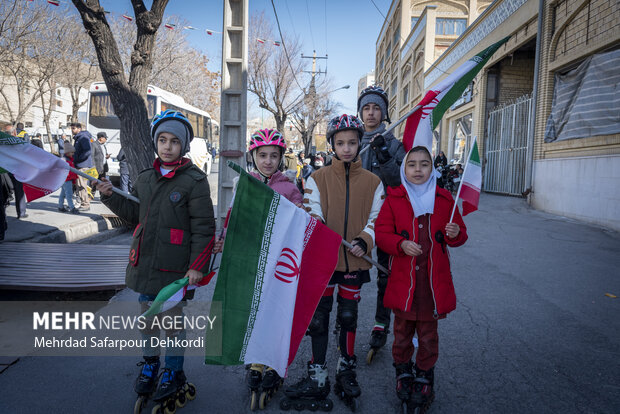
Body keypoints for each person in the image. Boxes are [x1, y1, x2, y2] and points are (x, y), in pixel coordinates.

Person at [93, 110, 215, 407]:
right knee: (147, 319)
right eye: (162, 140)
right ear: (155, 142)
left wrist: (197, 267)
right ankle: (150, 364)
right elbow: (136, 214)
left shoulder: (195, 181)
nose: (168, 146)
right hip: (146, 261)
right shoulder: (146, 178)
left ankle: (173, 371)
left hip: (176, 269)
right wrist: (111, 196)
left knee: (171, 322)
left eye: (175, 141)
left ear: (183, 146)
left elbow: (204, 228)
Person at [284, 114, 384, 410]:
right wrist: (325, 235)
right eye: (340, 143)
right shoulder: (317, 179)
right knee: (319, 319)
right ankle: (317, 372)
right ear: (332, 145)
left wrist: (364, 239)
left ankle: (346, 368)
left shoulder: (374, 182)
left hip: (356, 260)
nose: (347, 148)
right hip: (325, 261)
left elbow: (378, 218)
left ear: (359, 143)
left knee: (349, 316)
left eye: (352, 142)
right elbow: (312, 213)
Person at [213, 128, 302, 410]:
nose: (267, 161)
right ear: (253, 156)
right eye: (262, 155)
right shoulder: (245, 183)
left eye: (273, 156)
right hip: (251, 260)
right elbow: (233, 217)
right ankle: (255, 360)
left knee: (275, 313)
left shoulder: (289, 188)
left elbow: (300, 223)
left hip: (278, 264)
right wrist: (224, 238)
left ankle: (273, 363)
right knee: (252, 311)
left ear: (281, 159)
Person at [375, 145, 467, 410]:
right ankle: (403, 370)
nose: (418, 169)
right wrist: (400, 245)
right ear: (404, 169)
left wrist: (454, 232)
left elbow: (460, 236)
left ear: (433, 168)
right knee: (402, 333)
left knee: (428, 335)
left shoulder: (444, 199)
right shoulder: (394, 198)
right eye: (412, 164)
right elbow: (382, 234)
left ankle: (425, 374)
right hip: (405, 284)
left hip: (432, 285)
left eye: (424, 164)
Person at [357, 85, 406, 357]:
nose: (372, 113)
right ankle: (346, 319)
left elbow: (400, 182)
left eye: (376, 108)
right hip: (357, 218)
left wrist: (385, 156)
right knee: (349, 272)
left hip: (388, 219)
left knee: (386, 276)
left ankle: (380, 324)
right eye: (367, 108)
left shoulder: (395, 144)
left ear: (384, 112)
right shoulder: (350, 141)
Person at [3, 124, 28, 219]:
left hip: (5, 172)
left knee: (5, 193)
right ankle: (21, 213)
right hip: (17, 171)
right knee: (19, 192)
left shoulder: (2, 143)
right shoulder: (19, 143)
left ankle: (3, 214)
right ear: (15, 132)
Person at [70, 123, 94, 211]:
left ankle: (85, 204)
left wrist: (78, 160)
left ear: (79, 129)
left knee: (81, 185)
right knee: (79, 185)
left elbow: (87, 151)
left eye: (74, 128)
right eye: (71, 128)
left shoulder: (83, 137)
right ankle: (83, 203)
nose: (72, 130)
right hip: (80, 165)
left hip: (82, 165)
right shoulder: (79, 137)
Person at [57, 142, 79, 214]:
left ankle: (60, 206)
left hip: (66, 179)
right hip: (67, 179)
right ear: (68, 152)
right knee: (69, 194)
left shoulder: (69, 159)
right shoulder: (65, 160)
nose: (73, 154)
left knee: (63, 194)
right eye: (72, 152)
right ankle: (72, 207)